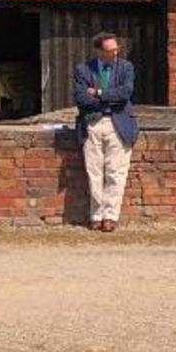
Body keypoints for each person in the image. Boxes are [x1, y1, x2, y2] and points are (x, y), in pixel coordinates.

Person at [73, 33, 138, 231]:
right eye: (109, 51)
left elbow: (125, 93)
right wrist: (109, 99)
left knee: (115, 172)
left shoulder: (126, 67)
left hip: (118, 123)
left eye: (116, 49)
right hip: (93, 123)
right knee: (94, 172)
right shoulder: (83, 69)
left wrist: (99, 93)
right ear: (99, 50)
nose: (114, 53)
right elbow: (81, 98)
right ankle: (96, 214)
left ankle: (110, 215)